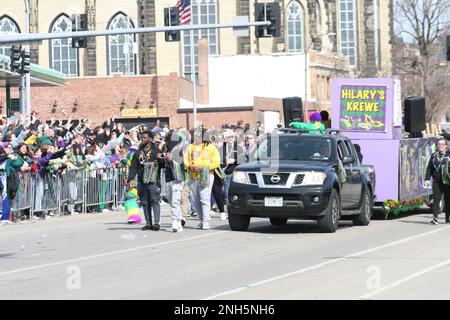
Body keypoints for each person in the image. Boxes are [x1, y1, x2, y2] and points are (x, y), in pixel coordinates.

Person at [184, 127, 220, 230]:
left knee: (204, 198)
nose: (196, 137)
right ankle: (201, 220)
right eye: (195, 135)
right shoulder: (190, 147)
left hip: (207, 175)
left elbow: (216, 163)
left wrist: (203, 168)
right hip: (193, 176)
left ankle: (206, 221)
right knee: (195, 200)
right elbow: (186, 160)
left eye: (199, 135)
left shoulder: (211, 147)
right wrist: (189, 166)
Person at [127, 131, 163, 231]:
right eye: (141, 138)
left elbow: (162, 165)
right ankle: (148, 223)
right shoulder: (138, 153)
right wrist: (129, 179)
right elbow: (133, 167)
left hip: (153, 181)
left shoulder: (156, 151)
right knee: (145, 202)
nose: (142, 139)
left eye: (145, 137)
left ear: (150, 139)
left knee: (154, 201)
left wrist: (160, 159)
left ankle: (156, 223)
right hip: (141, 181)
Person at [161, 130, 185, 232]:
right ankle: (178, 222)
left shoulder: (179, 150)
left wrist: (171, 159)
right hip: (169, 177)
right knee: (171, 200)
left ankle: (175, 221)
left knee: (175, 200)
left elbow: (181, 162)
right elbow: (164, 163)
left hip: (178, 178)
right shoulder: (166, 149)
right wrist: (163, 158)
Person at [425, 138, 450, 225]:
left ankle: (447, 218)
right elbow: (429, 167)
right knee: (436, 199)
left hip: (447, 182)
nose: (440, 146)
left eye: (442, 144)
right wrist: (427, 178)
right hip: (437, 181)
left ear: (446, 146)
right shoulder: (434, 155)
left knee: (448, 200)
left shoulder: (448, 155)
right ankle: (435, 218)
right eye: (439, 144)